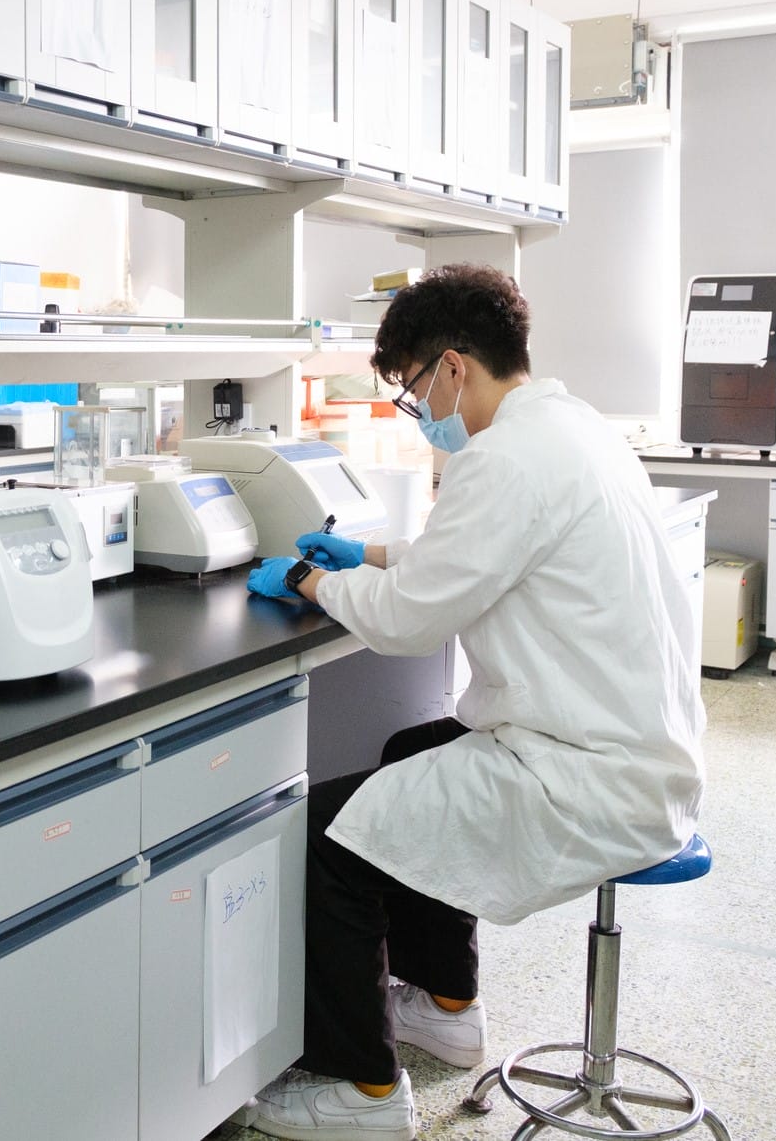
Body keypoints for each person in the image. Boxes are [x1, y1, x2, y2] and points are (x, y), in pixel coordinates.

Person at [240, 263, 706, 1141]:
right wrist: (369, 555)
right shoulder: (570, 428)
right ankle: (446, 1004)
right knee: (413, 749)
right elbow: (476, 553)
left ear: (453, 366)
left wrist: (305, 578)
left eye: (414, 387)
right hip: (631, 747)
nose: (420, 409)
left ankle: (361, 1092)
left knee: (329, 837)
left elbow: (413, 621)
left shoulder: (504, 457)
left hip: (587, 771)